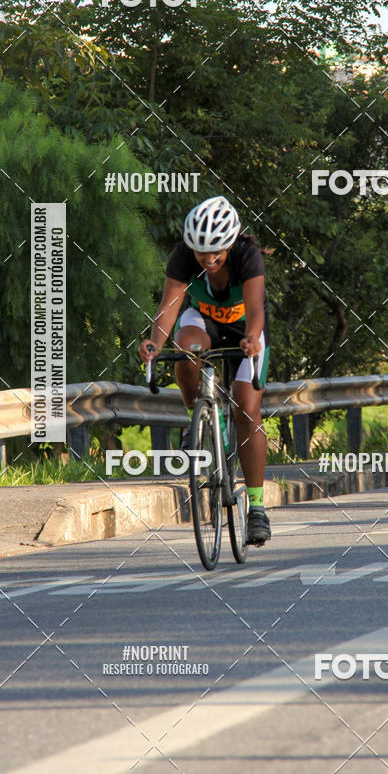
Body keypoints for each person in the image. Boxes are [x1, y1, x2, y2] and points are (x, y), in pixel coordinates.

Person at [139, 195, 271, 545]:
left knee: (246, 405)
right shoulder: (183, 258)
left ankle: (256, 508)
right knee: (185, 350)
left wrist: (254, 338)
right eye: (201, 252)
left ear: (230, 243)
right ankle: (194, 420)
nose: (209, 259)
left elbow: (256, 307)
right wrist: (154, 343)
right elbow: (169, 308)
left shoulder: (246, 254)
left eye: (216, 252)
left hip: (247, 331)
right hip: (204, 325)